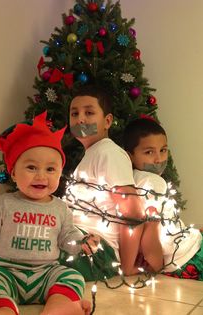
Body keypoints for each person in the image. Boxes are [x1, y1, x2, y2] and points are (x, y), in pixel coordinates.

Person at [0, 111, 93, 315]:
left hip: (46, 273)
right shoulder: (4, 203)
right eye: (31, 167)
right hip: (5, 271)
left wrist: (81, 242)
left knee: (72, 277)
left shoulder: (60, 208)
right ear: (14, 172)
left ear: (60, 173)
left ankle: (60, 307)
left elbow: (67, 238)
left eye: (50, 169)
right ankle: (2, 310)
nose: (41, 176)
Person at [60, 84, 151, 280]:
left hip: (97, 251)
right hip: (74, 240)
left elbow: (133, 212)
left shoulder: (108, 153)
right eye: (74, 113)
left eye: (89, 112)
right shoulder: (92, 155)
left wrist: (126, 268)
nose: (80, 118)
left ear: (107, 121)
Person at [123, 118, 203, 280]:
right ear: (130, 156)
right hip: (190, 256)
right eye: (149, 152)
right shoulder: (154, 183)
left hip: (183, 253)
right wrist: (157, 267)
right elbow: (152, 230)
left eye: (163, 150)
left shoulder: (132, 179)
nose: (159, 159)